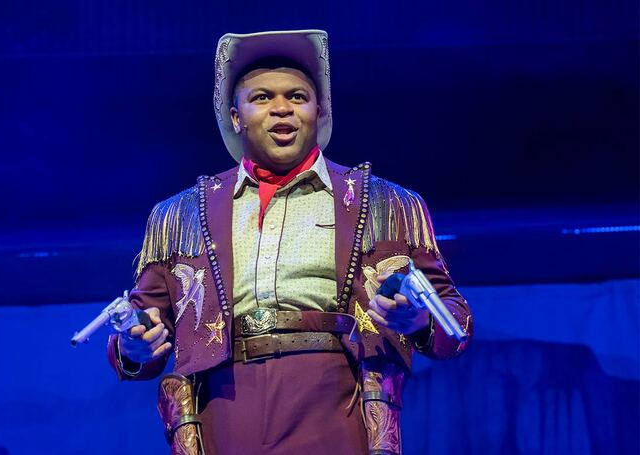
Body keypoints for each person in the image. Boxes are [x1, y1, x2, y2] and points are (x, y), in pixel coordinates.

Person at [106, 29, 473, 455]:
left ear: (319, 110)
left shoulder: (386, 203)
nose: (282, 108)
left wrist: (420, 321)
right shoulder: (181, 216)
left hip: (336, 400)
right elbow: (142, 332)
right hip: (225, 408)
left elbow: (456, 325)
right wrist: (134, 343)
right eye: (262, 97)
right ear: (236, 115)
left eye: (297, 96)